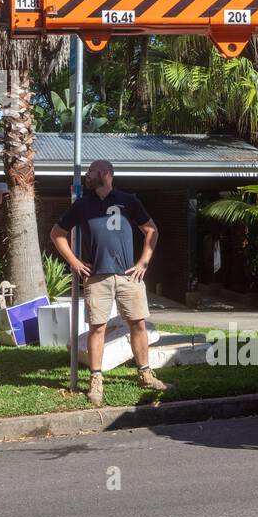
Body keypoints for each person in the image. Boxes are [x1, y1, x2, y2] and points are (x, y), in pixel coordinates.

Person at [49, 159, 166, 406]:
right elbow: (57, 233)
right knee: (97, 328)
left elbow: (151, 230)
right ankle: (96, 380)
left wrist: (144, 261)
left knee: (138, 324)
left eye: (91, 171)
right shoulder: (82, 205)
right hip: (96, 277)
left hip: (128, 276)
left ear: (105, 173)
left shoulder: (129, 200)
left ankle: (145, 373)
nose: (87, 176)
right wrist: (74, 261)